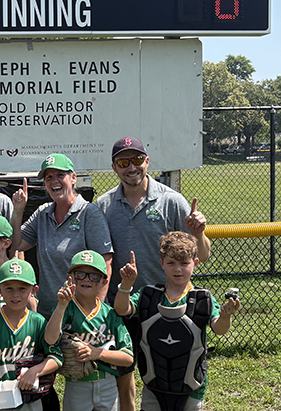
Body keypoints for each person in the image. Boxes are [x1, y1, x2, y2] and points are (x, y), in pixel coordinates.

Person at [95, 136, 211, 411]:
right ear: (114, 168)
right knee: (122, 374)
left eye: (137, 159)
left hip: (165, 305)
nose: (131, 167)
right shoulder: (104, 205)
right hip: (122, 304)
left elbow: (202, 256)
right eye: (123, 162)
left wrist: (199, 233)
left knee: (165, 374)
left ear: (147, 161)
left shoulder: (171, 201)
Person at [113, 233, 239, 411]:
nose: (177, 269)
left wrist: (226, 316)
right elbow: (122, 309)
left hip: (191, 386)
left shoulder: (203, 298)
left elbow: (219, 329)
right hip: (154, 384)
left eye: (184, 263)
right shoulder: (149, 295)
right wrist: (126, 284)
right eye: (171, 263)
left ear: (195, 264)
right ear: (162, 264)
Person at [11, 154, 114, 318]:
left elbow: (105, 263)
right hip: (49, 311)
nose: (54, 181)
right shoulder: (43, 213)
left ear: (73, 178)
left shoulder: (89, 213)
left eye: (60, 175)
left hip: (82, 313)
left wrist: (95, 312)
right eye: (49, 177)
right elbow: (16, 245)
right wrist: (18, 212)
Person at [0, 259, 62, 411]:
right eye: (9, 288)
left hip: (29, 400)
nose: (15, 294)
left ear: (33, 290)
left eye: (22, 288)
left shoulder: (38, 321)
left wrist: (35, 371)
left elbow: (56, 357)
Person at [44, 250, 133, 411]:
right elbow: (50, 339)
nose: (86, 279)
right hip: (77, 384)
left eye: (94, 276)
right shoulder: (65, 309)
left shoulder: (109, 314)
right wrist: (61, 306)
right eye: (80, 274)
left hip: (107, 384)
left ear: (103, 281)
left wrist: (97, 353)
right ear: (70, 278)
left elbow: (128, 357)